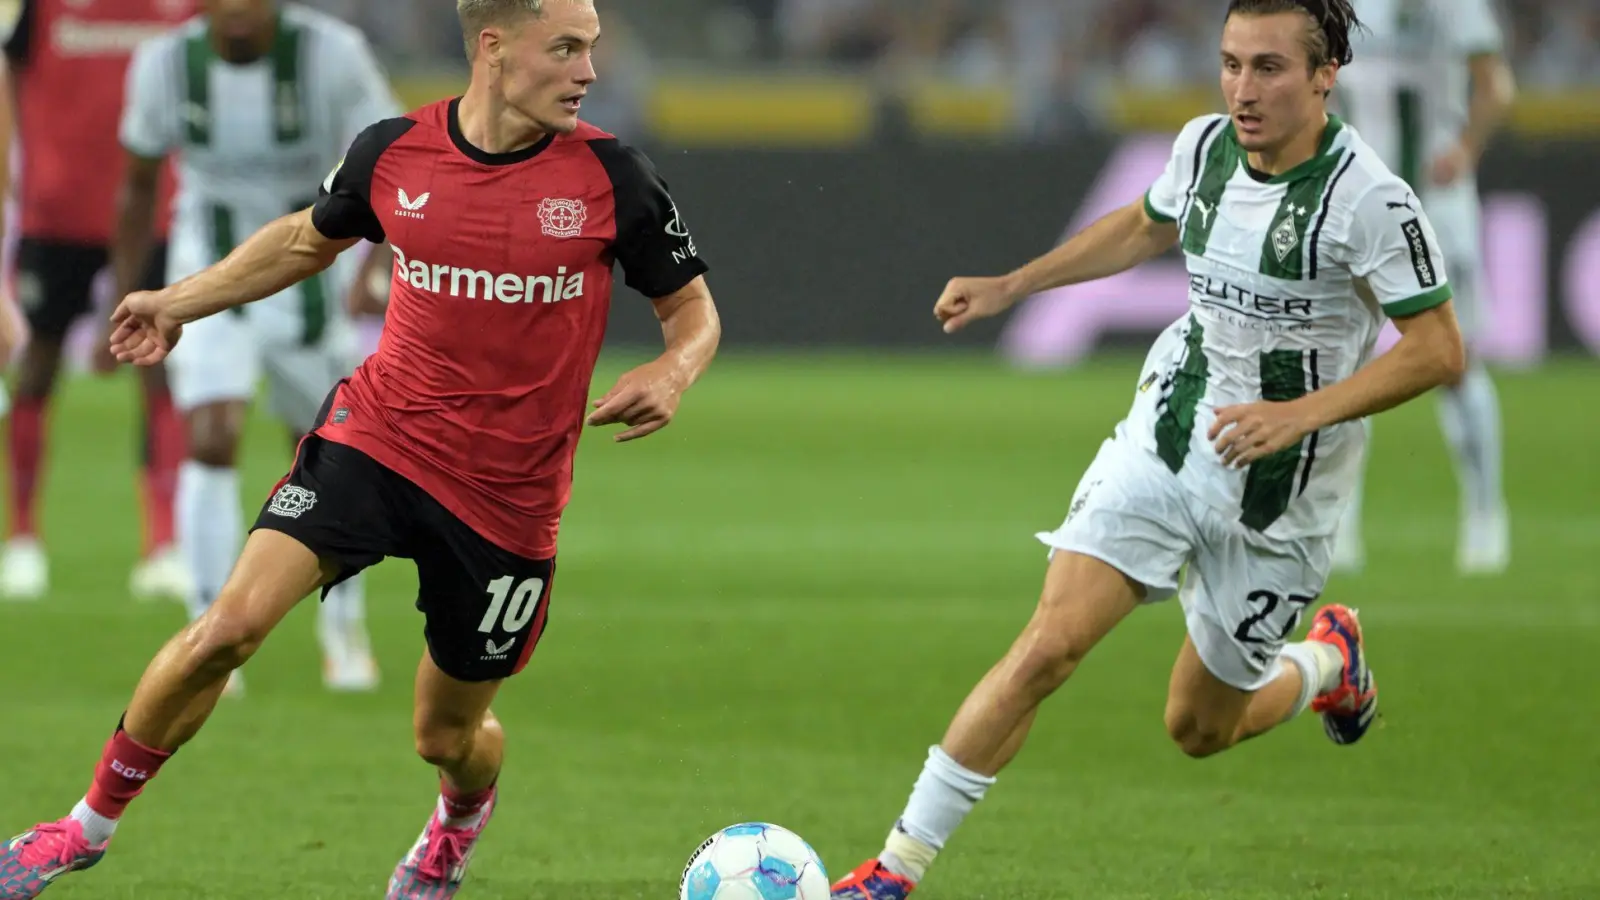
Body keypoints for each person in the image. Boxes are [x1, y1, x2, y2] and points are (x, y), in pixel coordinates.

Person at [0, 0, 719, 897]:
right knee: (225, 631)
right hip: (377, 441)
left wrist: (675, 371)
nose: (589, 72)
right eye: (567, 49)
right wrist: (176, 302)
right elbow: (307, 239)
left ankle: (459, 816)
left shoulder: (614, 178)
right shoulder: (396, 152)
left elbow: (691, 308)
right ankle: (82, 826)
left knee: (444, 736)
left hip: (509, 500)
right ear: (493, 50)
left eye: (592, 50)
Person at [829, 2, 1466, 897]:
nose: (1243, 90)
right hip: (1168, 442)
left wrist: (1301, 414)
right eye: (1231, 63)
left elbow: (1441, 351)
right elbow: (1143, 224)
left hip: (1281, 498)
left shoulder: (1369, 200)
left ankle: (1328, 657)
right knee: (1048, 646)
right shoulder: (1206, 147)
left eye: (1270, 68)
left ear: (1325, 77)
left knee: (1201, 729)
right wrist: (1015, 283)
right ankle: (893, 873)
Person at [109, 0, 404, 694]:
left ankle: (343, 623)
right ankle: (205, 629)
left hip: (310, 274)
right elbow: (138, 182)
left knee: (328, 450)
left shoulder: (334, 54)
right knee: (211, 433)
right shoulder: (165, 63)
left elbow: (396, 160)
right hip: (206, 274)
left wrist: (379, 265)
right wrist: (124, 298)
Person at [0, 0, 194, 602]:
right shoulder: (38, 6)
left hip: (152, 211)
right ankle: (24, 540)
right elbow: (8, 73)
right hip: (54, 213)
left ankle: (162, 545)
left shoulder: (183, 7)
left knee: (159, 369)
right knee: (35, 365)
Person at [1332, 0, 1516, 575]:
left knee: (1455, 362)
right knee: (1340, 363)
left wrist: (1464, 149)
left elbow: (1496, 85)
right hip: (1357, 203)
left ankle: (1486, 514)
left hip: (1436, 206)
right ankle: (1339, 525)